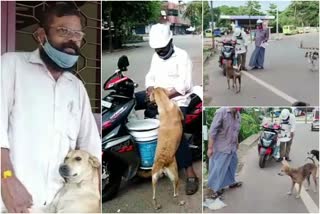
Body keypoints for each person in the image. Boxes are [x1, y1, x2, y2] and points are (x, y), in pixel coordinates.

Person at [0, 4, 101, 213]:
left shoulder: (76, 87)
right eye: (63, 31)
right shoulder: (11, 67)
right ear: (41, 35)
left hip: (59, 205)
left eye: (77, 34)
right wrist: (6, 179)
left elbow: (91, 148)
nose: (72, 40)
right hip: (11, 202)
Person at [135, 23, 199, 195]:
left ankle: (190, 173)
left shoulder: (182, 56)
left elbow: (183, 86)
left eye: (163, 48)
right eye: (157, 50)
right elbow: (150, 76)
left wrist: (162, 98)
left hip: (177, 100)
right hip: (158, 97)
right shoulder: (156, 57)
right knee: (132, 101)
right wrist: (149, 89)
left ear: (171, 41)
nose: (160, 52)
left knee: (172, 133)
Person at [207, 107, 242, 199]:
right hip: (221, 147)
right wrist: (210, 148)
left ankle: (231, 182)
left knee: (232, 165)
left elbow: (236, 131)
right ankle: (216, 189)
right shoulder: (221, 112)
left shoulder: (238, 114)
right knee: (219, 168)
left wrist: (237, 142)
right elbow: (212, 131)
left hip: (232, 147)